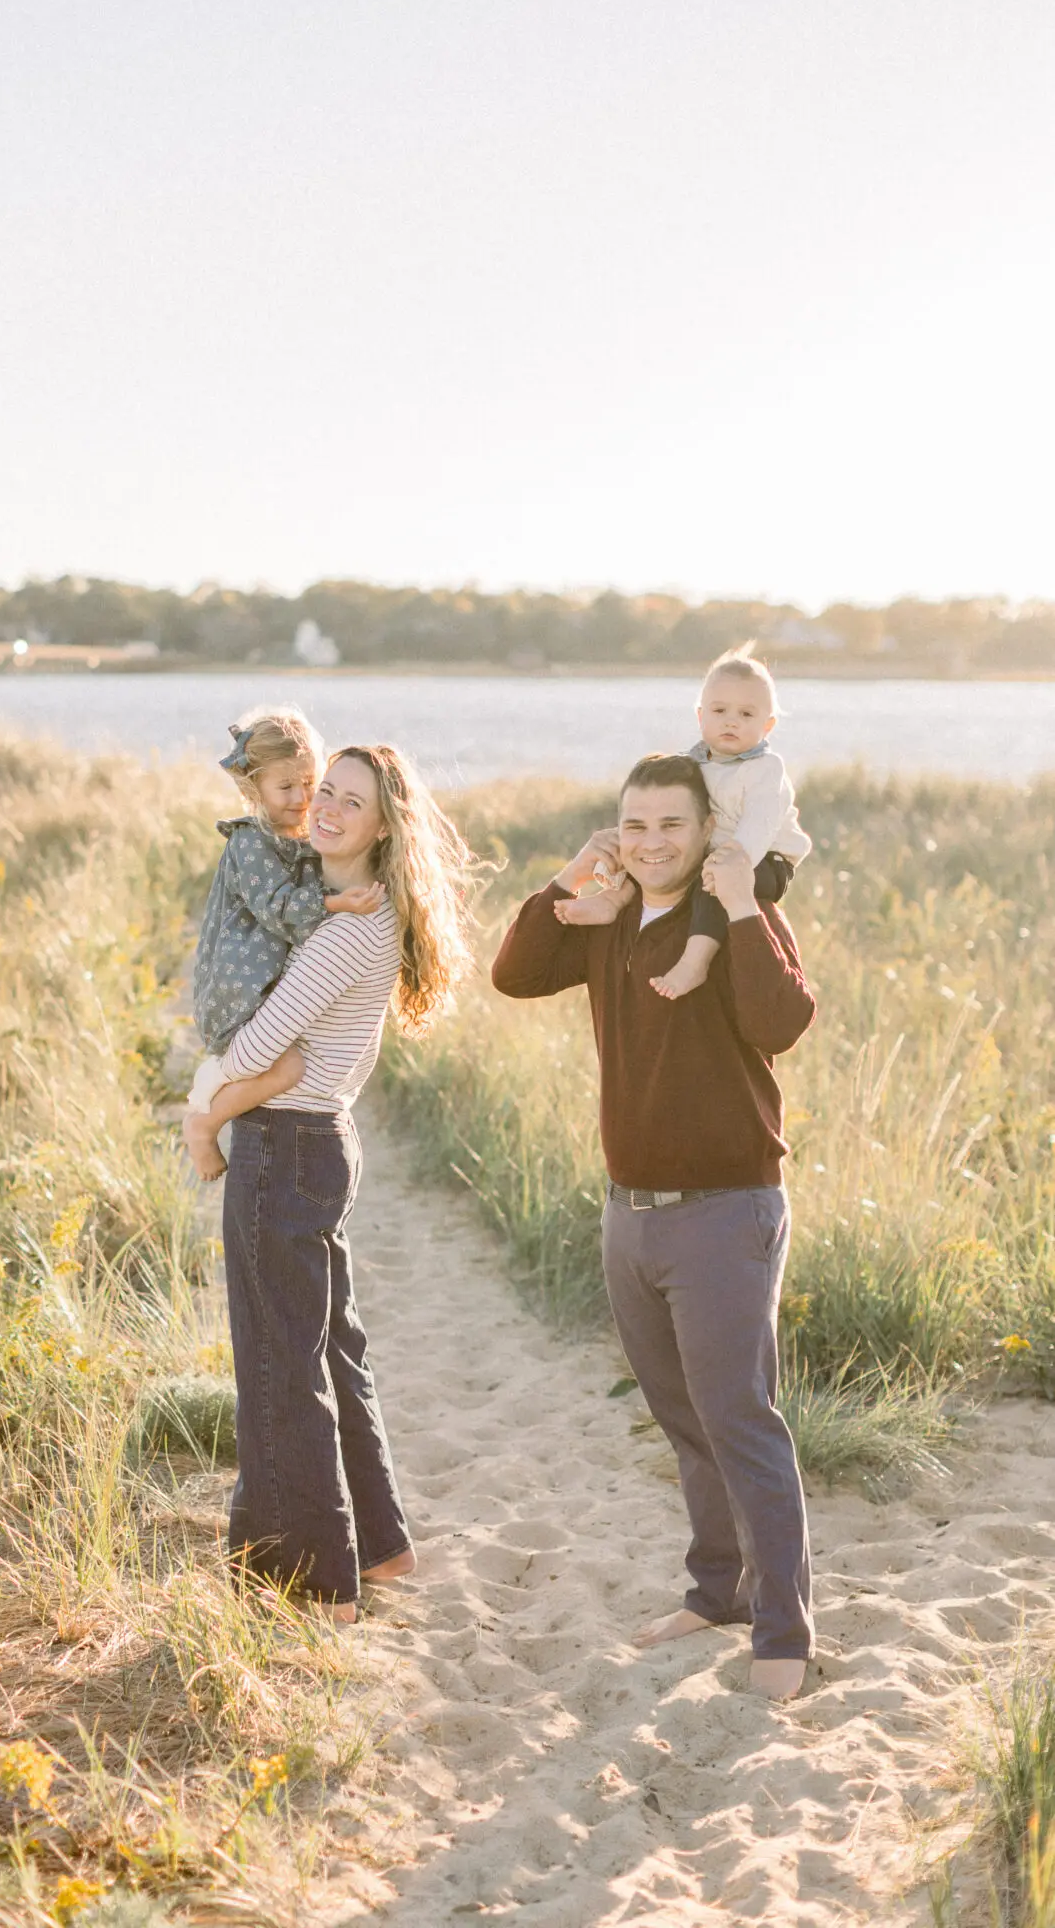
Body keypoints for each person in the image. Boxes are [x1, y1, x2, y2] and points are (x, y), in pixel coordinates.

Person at [491, 751, 817, 1698]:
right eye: (633, 825)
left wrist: (746, 905)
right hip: (628, 1214)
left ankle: (781, 1635)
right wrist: (567, 877)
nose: (651, 842)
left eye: (669, 824)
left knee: (738, 1420)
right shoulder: (612, 920)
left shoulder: (734, 917)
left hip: (725, 1212)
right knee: (682, 1420)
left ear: (708, 830)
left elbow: (778, 1022)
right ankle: (714, 1593)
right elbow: (515, 973)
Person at [213, 744, 478, 1620]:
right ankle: (381, 1547)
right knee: (328, 1350)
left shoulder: (343, 932)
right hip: (317, 1140)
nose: (325, 806)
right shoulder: (359, 919)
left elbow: (257, 1051)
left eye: (350, 800)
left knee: (277, 1362)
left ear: (381, 826)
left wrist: (203, 1115)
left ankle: (318, 1583)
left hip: (284, 1147)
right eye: (324, 789)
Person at [183, 707, 385, 1181]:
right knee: (288, 1065)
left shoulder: (300, 838)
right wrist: (335, 905)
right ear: (254, 789)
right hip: (235, 991)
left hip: (263, 984)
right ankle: (204, 1121)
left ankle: (213, 1093)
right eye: (286, 787)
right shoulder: (250, 843)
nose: (303, 798)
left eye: (311, 783)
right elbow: (277, 906)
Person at [559, 646, 811, 1002]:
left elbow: (761, 823)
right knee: (653, 851)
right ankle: (613, 899)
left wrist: (734, 860)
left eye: (746, 713)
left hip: (765, 861)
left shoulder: (765, 770)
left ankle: (695, 960)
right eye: (720, 711)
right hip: (715, 854)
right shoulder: (694, 764)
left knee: (712, 889)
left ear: (767, 725)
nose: (731, 721)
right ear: (700, 716)